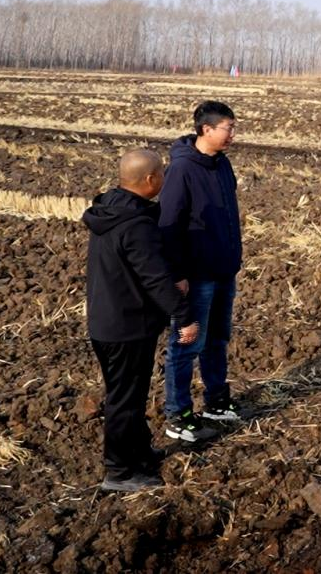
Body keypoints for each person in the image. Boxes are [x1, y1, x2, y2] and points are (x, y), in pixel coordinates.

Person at [83, 149, 199, 492]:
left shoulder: (112, 210)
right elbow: (154, 278)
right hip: (126, 326)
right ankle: (119, 472)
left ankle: (138, 453)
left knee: (128, 394)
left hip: (108, 321)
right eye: (161, 173)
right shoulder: (134, 224)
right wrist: (184, 316)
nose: (164, 178)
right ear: (150, 180)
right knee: (125, 399)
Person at [159, 100, 243, 442]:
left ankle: (216, 402)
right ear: (206, 129)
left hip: (224, 270)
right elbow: (169, 225)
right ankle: (177, 415)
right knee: (186, 343)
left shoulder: (222, 165)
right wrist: (177, 273)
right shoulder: (181, 170)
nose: (233, 135)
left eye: (234, 128)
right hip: (197, 275)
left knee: (217, 339)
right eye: (228, 128)